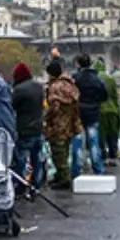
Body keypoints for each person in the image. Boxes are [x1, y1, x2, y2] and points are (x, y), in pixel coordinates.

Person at [44, 57, 83, 189]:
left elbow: (53, 108)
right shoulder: (70, 84)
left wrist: (45, 117)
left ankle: (64, 178)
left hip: (58, 124)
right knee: (65, 150)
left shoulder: (55, 87)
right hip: (70, 122)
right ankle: (61, 175)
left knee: (58, 151)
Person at [11, 62, 46, 197]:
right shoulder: (38, 87)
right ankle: (36, 185)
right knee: (36, 158)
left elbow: (12, 106)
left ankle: (22, 185)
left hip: (25, 129)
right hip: (38, 127)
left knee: (22, 159)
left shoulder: (19, 90)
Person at [71, 53, 107, 176]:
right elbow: (104, 95)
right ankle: (98, 169)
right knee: (94, 143)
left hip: (78, 114)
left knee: (78, 144)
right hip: (93, 113)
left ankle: (76, 170)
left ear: (78, 64)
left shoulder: (76, 78)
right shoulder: (97, 79)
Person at [94, 60, 120, 166]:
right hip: (113, 110)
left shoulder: (95, 79)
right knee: (113, 134)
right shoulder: (110, 79)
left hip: (100, 111)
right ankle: (113, 157)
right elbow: (115, 96)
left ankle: (104, 157)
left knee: (101, 136)